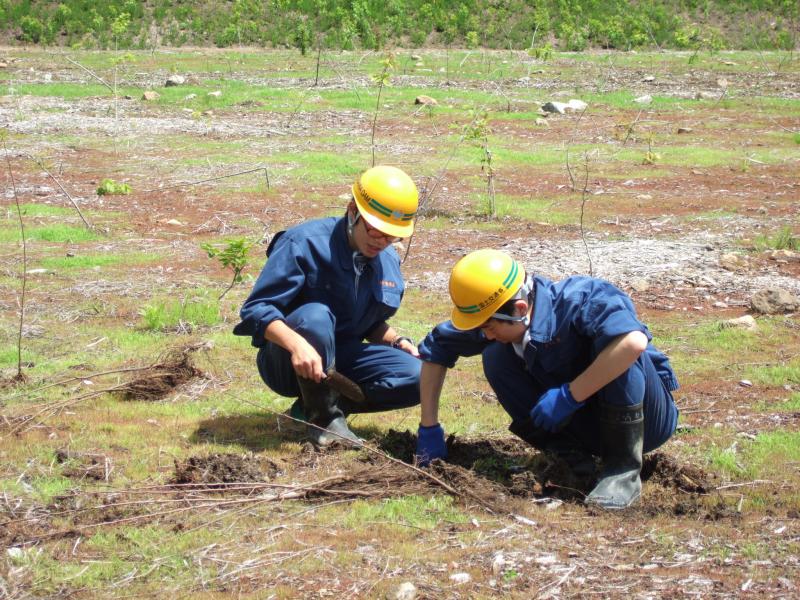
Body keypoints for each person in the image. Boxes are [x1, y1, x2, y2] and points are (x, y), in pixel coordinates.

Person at [414, 249, 679, 509]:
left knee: (618, 344)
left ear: (519, 309)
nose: (487, 335)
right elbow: (438, 346)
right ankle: (571, 460)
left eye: (490, 328)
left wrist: (570, 395)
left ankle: (622, 471)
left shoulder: (582, 299)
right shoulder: (496, 320)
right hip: (588, 428)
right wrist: (429, 428)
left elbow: (633, 343)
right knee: (495, 356)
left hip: (648, 423)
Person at [234, 165, 422, 447]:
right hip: (287, 360)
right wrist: (298, 346)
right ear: (352, 211)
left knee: (419, 376)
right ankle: (325, 423)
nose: (381, 242)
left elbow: (369, 322)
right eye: (374, 230)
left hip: (340, 359)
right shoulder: (303, 243)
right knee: (315, 316)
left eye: (392, 236)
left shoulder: (387, 262)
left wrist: (398, 341)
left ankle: (316, 407)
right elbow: (257, 309)